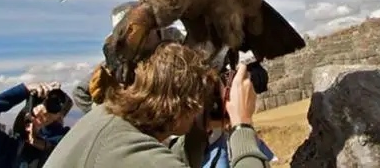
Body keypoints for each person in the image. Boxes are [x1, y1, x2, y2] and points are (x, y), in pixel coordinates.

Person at [43, 42, 270, 168]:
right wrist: (242, 126)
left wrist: (200, 130)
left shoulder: (109, 119)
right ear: (181, 107)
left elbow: (165, 157)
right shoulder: (125, 152)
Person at [71, 0, 186, 115]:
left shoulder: (182, 44)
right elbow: (80, 92)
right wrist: (104, 114)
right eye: (126, 36)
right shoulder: (118, 60)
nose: (133, 40)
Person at [0, 81, 73, 168]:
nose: (43, 110)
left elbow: (59, 145)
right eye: (39, 102)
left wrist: (46, 128)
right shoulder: (5, 151)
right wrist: (24, 90)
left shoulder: (67, 142)